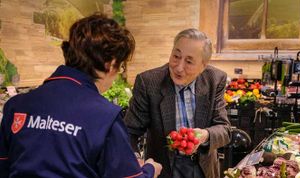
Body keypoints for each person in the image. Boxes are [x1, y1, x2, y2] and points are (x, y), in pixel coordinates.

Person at [0, 13, 162, 178]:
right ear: (110, 63)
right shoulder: (106, 118)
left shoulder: (16, 105)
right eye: (120, 67)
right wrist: (150, 170)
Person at [124, 28, 231, 178]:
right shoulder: (149, 82)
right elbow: (129, 131)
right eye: (176, 56)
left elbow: (225, 130)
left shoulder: (215, 79)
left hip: (203, 168)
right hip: (164, 168)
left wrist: (204, 135)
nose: (179, 67)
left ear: (203, 66)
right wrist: (136, 160)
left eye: (189, 61)